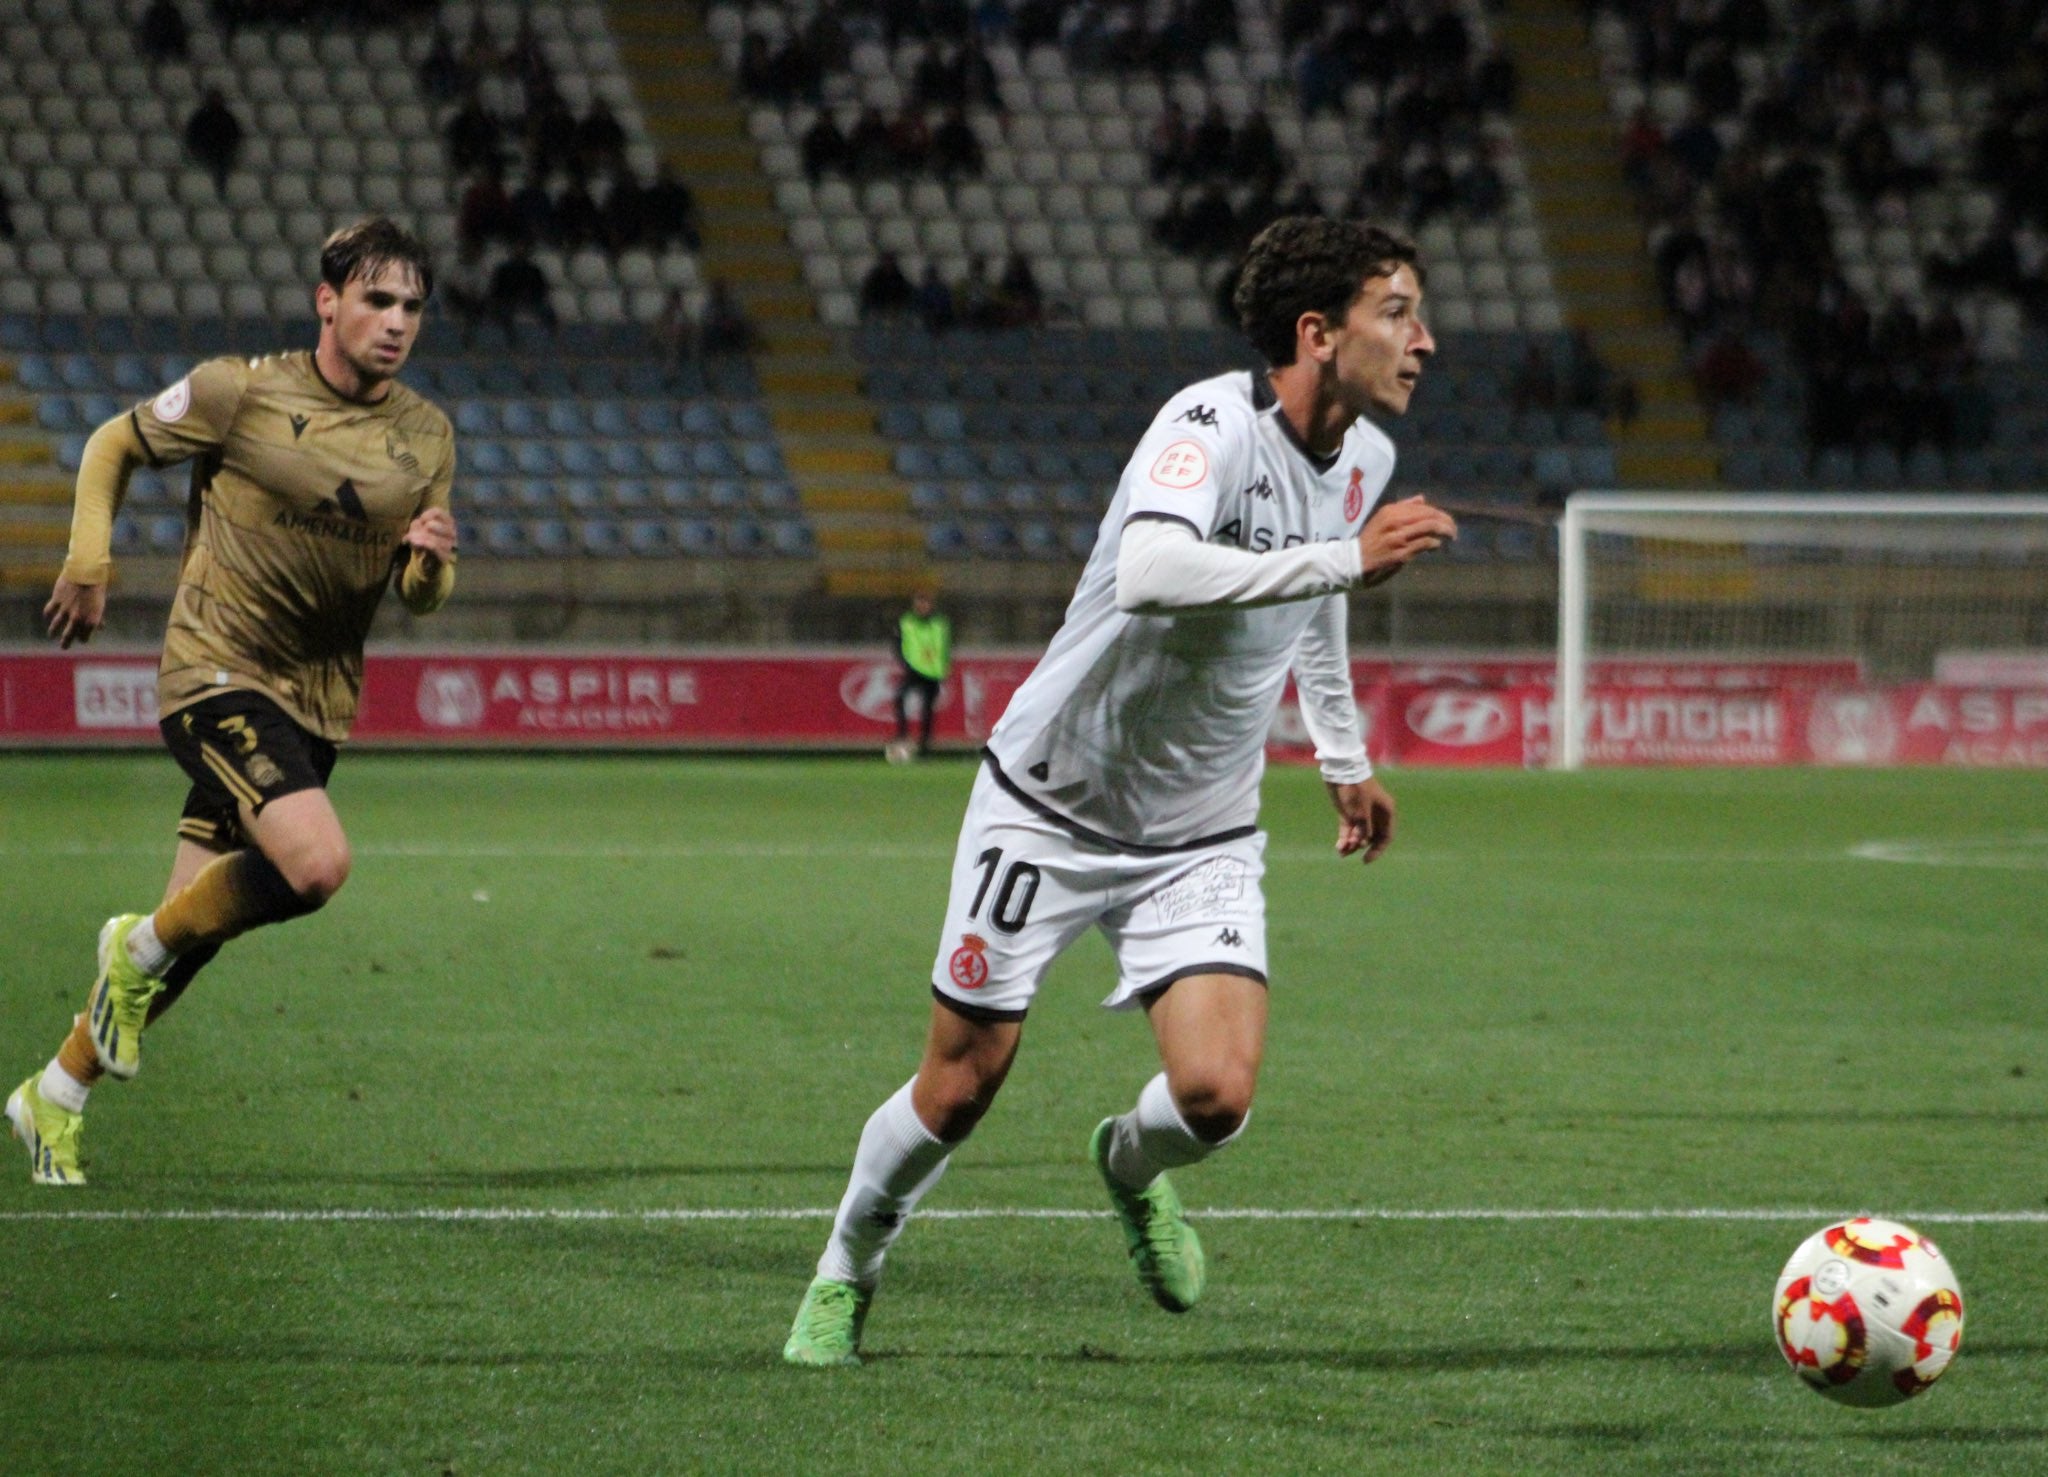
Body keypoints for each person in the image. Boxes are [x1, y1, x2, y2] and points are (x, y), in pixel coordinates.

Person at [782, 217, 1456, 1365]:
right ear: (1315, 332)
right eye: (1395, 312)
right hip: (1047, 803)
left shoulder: (1366, 462)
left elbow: (1317, 610)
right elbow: (1150, 571)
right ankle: (846, 1267)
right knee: (958, 1085)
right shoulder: (1203, 425)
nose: (1423, 340)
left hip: (1198, 828)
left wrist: (1341, 753)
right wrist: (1345, 557)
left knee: (1213, 1095)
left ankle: (1126, 1166)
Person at [9, 218, 459, 1187]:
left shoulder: (424, 435)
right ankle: (128, 946)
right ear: (325, 300)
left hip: (315, 701)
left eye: (412, 306)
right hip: (216, 669)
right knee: (317, 864)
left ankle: (57, 1088)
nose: (396, 323)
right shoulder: (239, 391)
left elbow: (417, 596)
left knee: (193, 928)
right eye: (377, 300)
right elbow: (108, 443)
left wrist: (426, 567)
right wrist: (89, 561)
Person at [891, 590, 951, 758]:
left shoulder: (940, 623)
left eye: (925, 603)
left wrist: (943, 667)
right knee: (899, 697)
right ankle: (903, 736)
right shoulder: (907, 622)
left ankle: (924, 746)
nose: (922, 607)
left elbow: (944, 646)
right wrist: (905, 661)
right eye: (920, 603)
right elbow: (898, 643)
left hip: (933, 672)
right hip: (914, 669)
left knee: (927, 710)